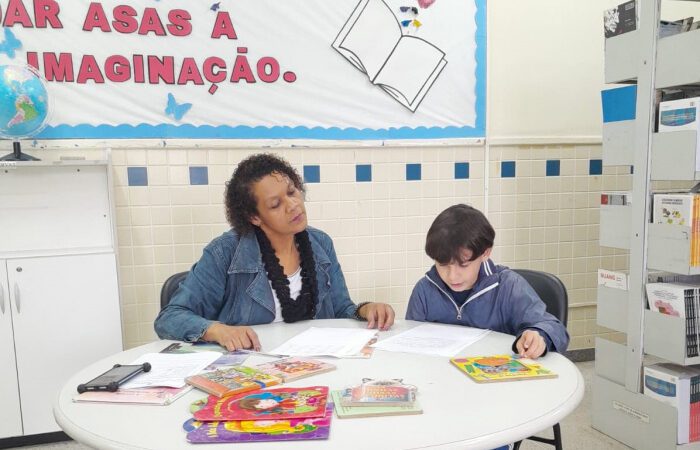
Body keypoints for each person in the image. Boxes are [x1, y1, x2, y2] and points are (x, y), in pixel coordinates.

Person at [154, 153, 395, 350]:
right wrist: (217, 330)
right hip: (247, 374)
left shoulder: (321, 243)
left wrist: (366, 309)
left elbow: (341, 310)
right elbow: (170, 318)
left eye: (291, 192)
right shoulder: (224, 252)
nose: (293, 205)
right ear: (254, 217)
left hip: (316, 366)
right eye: (275, 204)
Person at [405, 204, 569, 359]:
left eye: (463, 265)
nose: (452, 276)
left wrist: (539, 334)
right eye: (443, 265)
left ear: (485, 253)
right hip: (441, 379)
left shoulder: (508, 286)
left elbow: (555, 328)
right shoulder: (425, 290)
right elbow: (410, 342)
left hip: (497, 381)